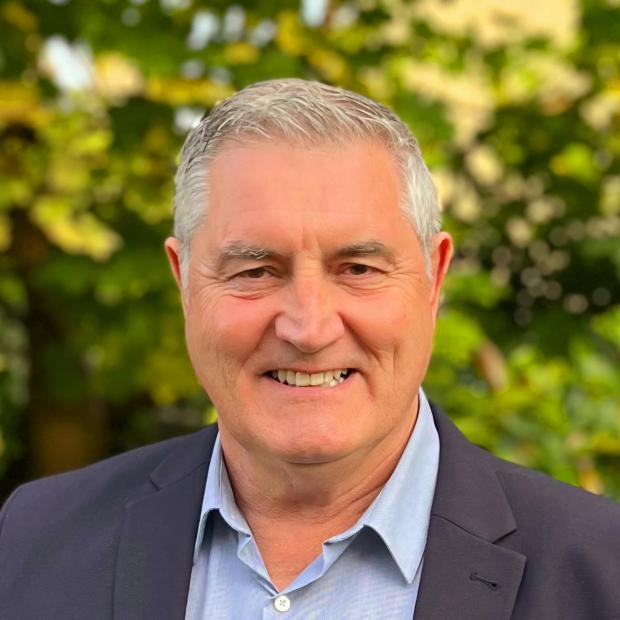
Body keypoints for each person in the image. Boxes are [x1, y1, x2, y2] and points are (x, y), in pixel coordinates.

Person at [0, 79, 619, 620]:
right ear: (183, 280)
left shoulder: (600, 572)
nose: (309, 327)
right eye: (255, 271)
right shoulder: (34, 540)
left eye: (358, 268)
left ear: (434, 279)